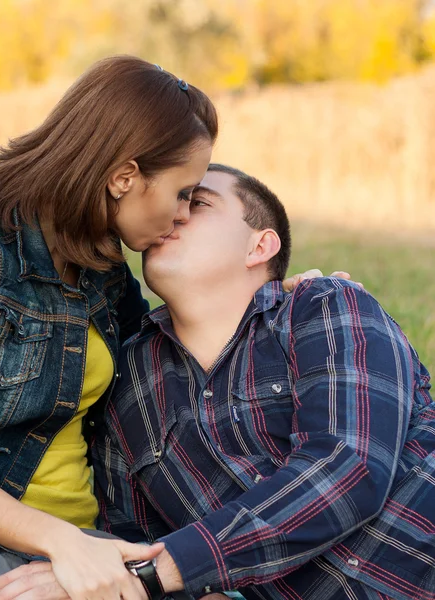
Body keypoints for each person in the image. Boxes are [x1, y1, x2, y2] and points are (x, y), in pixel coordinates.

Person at [0, 55, 219, 600]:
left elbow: (163, 364)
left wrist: (270, 297)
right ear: (124, 177)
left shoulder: (104, 267)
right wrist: (65, 544)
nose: (185, 214)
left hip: (90, 538)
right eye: (182, 193)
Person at [86, 164, 435, 600]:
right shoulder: (129, 389)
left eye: (196, 202)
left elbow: (348, 467)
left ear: (260, 246)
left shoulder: (321, 307)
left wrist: (163, 570)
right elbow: (135, 540)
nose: (172, 214)